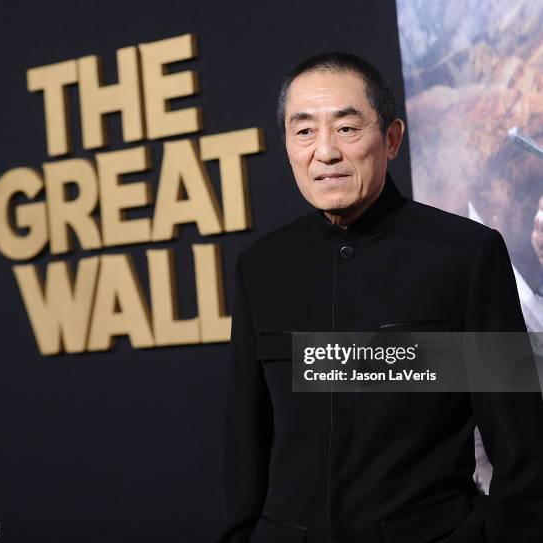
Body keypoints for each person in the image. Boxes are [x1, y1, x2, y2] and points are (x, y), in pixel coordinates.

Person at [218, 52, 543, 543]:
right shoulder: (262, 267)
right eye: (303, 131)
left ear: (391, 138)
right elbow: (247, 437)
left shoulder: (465, 255)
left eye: (347, 129)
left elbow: (522, 447)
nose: (324, 151)